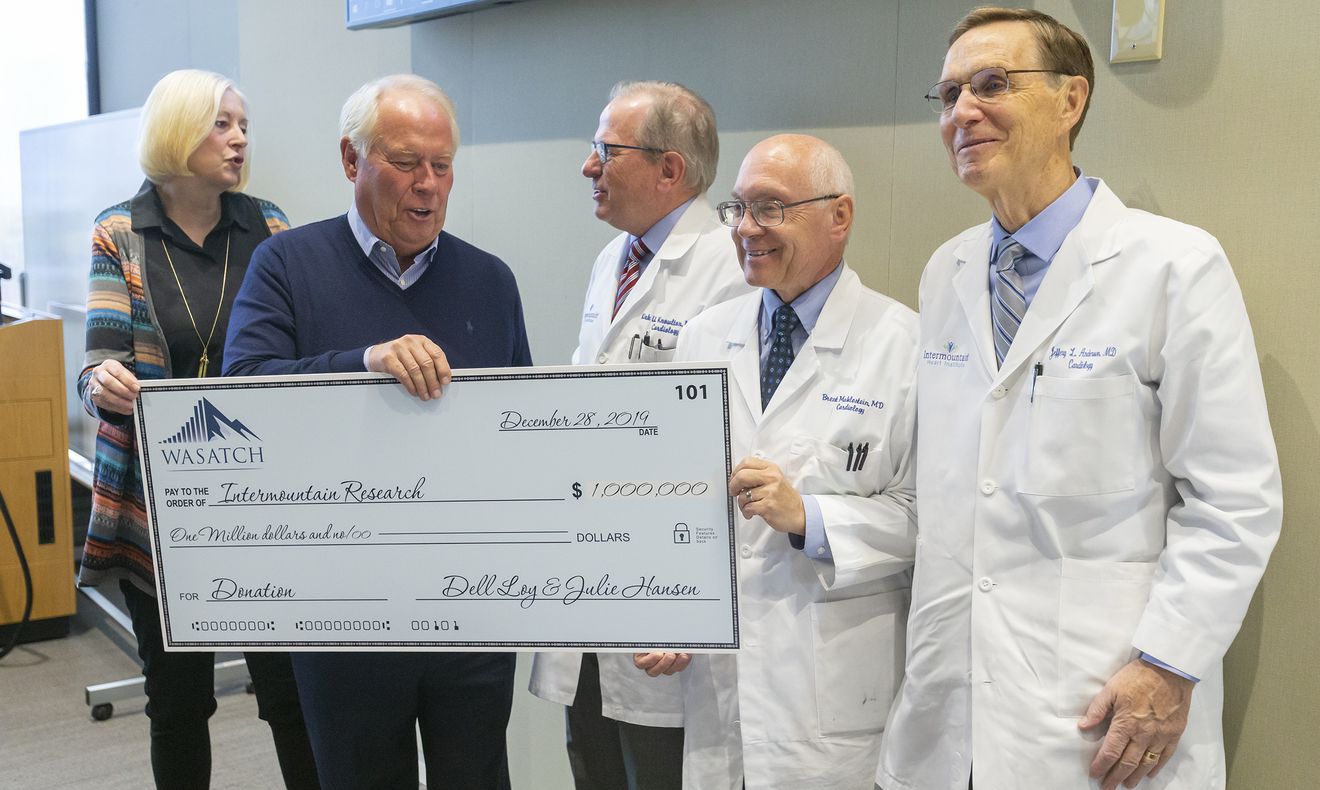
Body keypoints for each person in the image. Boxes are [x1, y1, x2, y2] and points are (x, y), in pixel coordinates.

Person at [877, 9, 1282, 790]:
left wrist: (1168, 665)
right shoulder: (946, 272)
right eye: (950, 91)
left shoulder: (1174, 266)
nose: (962, 110)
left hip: (1098, 712)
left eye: (993, 83)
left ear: (1071, 102)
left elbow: (1235, 499)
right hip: (946, 719)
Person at [223, 74, 532, 790]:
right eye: (404, 162)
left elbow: (520, 434)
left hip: (470, 609)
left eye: (443, 165)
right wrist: (364, 364)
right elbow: (244, 394)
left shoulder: (491, 280)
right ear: (350, 159)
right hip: (343, 613)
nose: (428, 185)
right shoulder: (286, 265)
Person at [634, 134, 918, 789]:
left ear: (839, 216)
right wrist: (680, 613)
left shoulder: (902, 345)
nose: (747, 228)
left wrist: (807, 517)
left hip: (834, 700)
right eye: (738, 208)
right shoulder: (706, 335)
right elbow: (678, 495)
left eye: (772, 208)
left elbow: (927, 517)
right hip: (722, 693)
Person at [77, 69, 319, 789]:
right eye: (222, 124)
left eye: (243, 124)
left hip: (265, 502)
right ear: (179, 132)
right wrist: (103, 384)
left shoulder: (269, 224)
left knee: (291, 696)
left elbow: (300, 347)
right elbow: (99, 366)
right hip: (160, 508)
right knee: (179, 702)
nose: (240, 138)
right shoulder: (119, 231)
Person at [528, 79, 750, 790]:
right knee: (591, 762)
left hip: (665, 601)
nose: (587, 166)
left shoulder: (730, 272)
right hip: (592, 579)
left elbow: (732, 447)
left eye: (604, 150)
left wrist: (689, 598)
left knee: (651, 770)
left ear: (669, 169)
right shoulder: (613, 263)